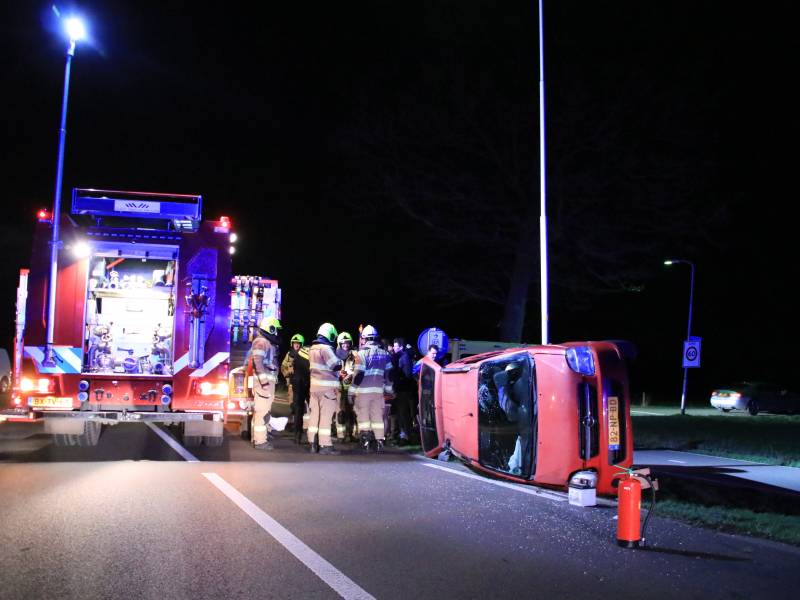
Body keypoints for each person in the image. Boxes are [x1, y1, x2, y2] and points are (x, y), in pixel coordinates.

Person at [349, 325, 393, 452]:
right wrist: (389, 389)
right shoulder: (385, 354)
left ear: (365, 339)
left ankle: (365, 442)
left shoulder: (361, 354)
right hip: (378, 392)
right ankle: (380, 442)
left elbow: (358, 375)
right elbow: (389, 374)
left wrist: (351, 391)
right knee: (378, 417)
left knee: (364, 417)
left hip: (363, 392)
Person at [307, 322, 343, 455]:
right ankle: (325, 445)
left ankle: (312, 443)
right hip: (327, 389)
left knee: (314, 416)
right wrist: (341, 359)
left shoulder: (312, 348)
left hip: (314, 388)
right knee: (326, 418)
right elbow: (335, 365)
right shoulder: (326, 349)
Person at [247, 316, 282, 450]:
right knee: (261, 413)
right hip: (263, 385)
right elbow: (258, 363)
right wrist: (264, 382)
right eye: (275, 330)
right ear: (270, 329)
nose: (277, 333)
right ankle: (260, 442)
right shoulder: (261, 342)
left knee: (263, 412)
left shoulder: (266, 342)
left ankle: (258, 438)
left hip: (266, 384)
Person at [283, 333, 310, 444]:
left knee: (307, 408)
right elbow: (283, 367)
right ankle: (296, 431)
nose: (296, 346)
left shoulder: (306, 354)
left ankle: (306, 430)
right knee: (295, 408)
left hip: (305, 384)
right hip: (293, 384)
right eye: (295, 343)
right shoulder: (289, 355)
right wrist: (288, 373)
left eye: (298, 344)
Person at [391, 337, 415, 445]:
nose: (394, 348)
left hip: (403, 390)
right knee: (400, 414)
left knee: (403, 414)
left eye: (396, 346)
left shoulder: (403, 357)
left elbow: (407, 375)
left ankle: (405, 436)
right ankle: (402, 435)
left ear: (401, 347)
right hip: (401, 389)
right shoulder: (399, 356)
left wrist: (398, 380)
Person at [335, 331, 358, 442]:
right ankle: (341, 435)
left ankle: (351, 434)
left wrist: (351, 375)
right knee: (340, 412)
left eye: (347, 343)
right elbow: (330, 369)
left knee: (352, 412)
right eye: (343, 343)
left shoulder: (354, 356)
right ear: (339, 344)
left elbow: (358, 369)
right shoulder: (334, 355)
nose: (346, 345)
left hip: (351, 388)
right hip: (338, 388)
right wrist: (338, 374)